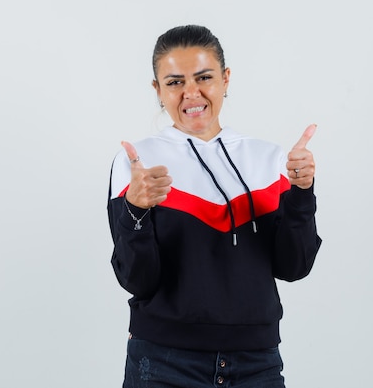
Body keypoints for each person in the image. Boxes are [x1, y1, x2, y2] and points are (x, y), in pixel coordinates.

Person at [107, 24, 322, 388]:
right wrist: (135, 210)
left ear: (225, 78)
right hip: (163, 362)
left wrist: (302, 193)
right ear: (157, 90)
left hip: (257, 364)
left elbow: (293, 266)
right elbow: (137, 280)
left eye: (203, 77)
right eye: (175, 82)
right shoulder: (139, 163)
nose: (192, 93)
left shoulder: (269, 159)